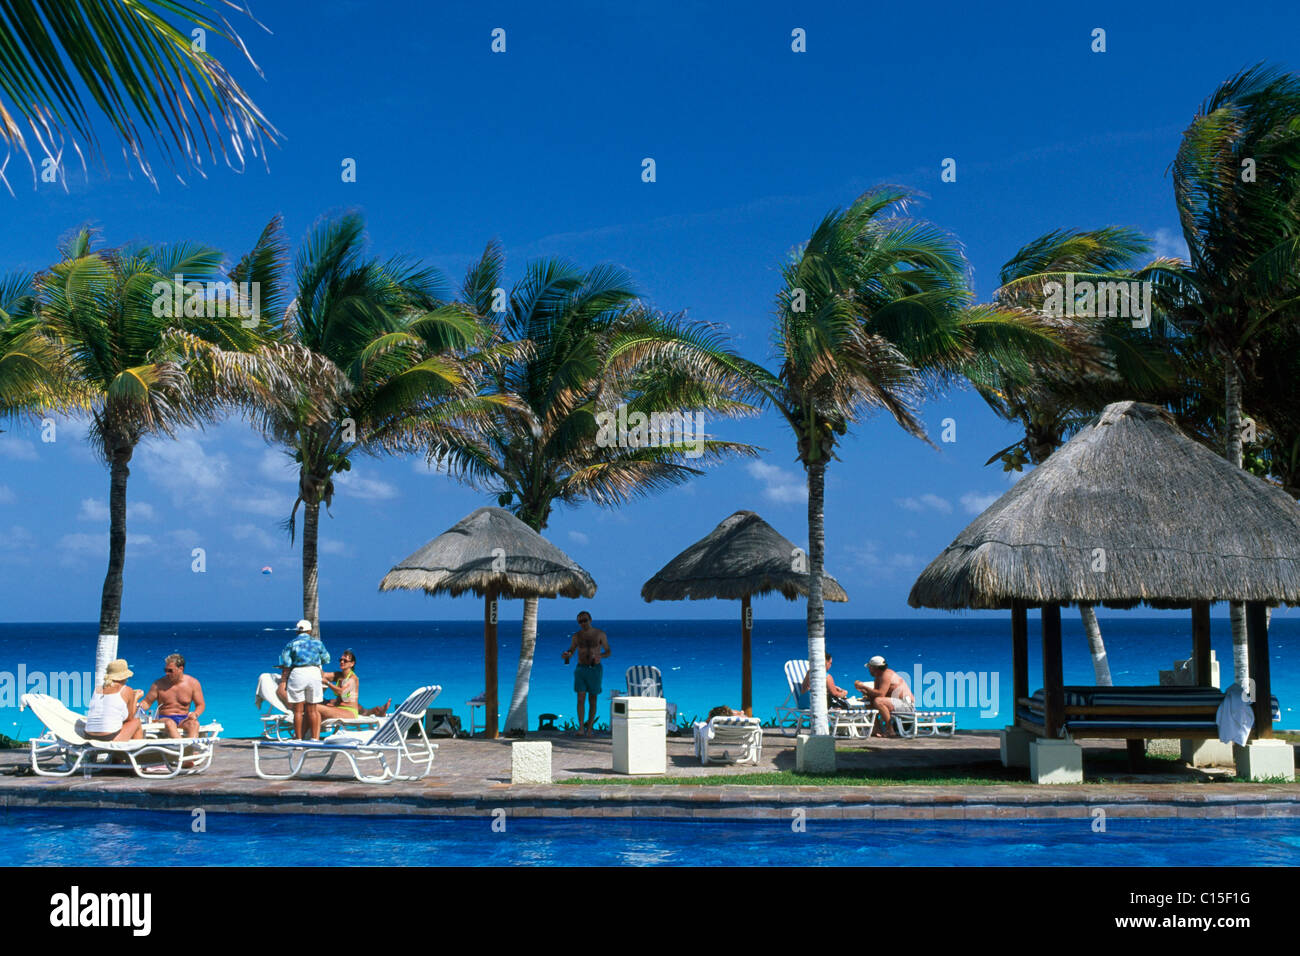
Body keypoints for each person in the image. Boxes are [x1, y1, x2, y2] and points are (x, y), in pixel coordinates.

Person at [277, 619, 330, 740]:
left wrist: (284, 679)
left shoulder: (291, 644)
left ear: (297, 632)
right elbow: (326, 659)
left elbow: (287, 663)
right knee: (313, 709)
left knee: (298, 711)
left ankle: (298, 740)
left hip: (298, 673)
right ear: (310, 630)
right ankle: (315, 739)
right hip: (313, 673)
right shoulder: (317, 643)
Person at [561, 610, 610, 737]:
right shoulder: (576, 636)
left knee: (593, 699)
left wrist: (600, 656)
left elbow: (608, 651)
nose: (583, 623)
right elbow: (571, 650)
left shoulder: (600, 634)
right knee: (580, 699)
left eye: (585, 620)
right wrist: (568, 654)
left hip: (595, 669)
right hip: (581, 668)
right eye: (580, 621)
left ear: (590, 620)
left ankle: (590, 729)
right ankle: (581, 728)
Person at [141, 653, 205, 739]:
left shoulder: (193, 683)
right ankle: (181, 747)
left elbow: (200, 704)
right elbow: (147, 702)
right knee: (169, 723)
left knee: (194, 724)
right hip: (164, 718)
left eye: (170, 671)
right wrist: (136, 707)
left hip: (183, 719)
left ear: (180, 669)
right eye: (165, 670)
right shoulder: (159, 684)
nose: (167, 673)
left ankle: (189, 747)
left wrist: (195, 714)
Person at [318, 649, 390, 721]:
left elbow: (342, 692)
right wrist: (314, 665)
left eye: (345, 660)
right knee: (326, 702)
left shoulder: (353, 678)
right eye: (341, 660)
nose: (342, 662)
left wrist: (327, 683)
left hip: (348, 712)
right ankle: (376, 710)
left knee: (315, 707)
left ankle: (377, 711)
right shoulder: (338, 675)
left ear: (352, 664)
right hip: (342, 707)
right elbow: (323, 675)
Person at [83, 659, 144, 742]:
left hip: (88, 735)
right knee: (136, 722)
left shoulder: (98, 689)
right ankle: (136, 753)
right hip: (108, 737)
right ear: (124, 676)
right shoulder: (126, 690)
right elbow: (130, 718)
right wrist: (135, 697)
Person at [855, 655, 915, 736]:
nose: (869, 670)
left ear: (874, 668)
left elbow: (880, 694)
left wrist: (864, 686)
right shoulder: (878, 676)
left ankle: (890, 730)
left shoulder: (886, 675)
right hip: (896, 703)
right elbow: (875, 694)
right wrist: (864, 691)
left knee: (878, 701)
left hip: (907, 705)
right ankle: (877, 729)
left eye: (869, 668)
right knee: (869, 701)